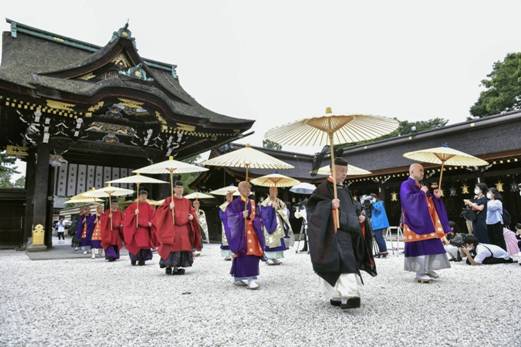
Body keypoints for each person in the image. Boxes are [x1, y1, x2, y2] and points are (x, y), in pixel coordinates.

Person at [307, 158, 376, 309]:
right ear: (331, 170)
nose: (344, 174)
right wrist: (328, 205)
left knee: (343, 261)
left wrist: (360, 215)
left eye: (345, 171)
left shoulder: (344, 189)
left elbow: (352, 207)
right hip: (332, 232)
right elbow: (312, 210)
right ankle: (350, 294)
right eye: (340, 171)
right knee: (345, 261)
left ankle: (336, 295)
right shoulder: (323, 189)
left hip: (348, 230)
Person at [400, 163, 451, 283]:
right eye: (420, 171)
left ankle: (428, 268)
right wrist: (422, 193)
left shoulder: (420, 185)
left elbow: (428, 200)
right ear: (412, 172)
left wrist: (435, 196)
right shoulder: (406, 184)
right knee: (420, 245)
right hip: (414, 221)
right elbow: (407, 200)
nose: (423, 173)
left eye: (423, 171)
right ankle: (420, 272)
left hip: (427, 220)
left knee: (431, 243)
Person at [224, 181, 276, 290]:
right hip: (240, 233)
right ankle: (238, 277)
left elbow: (259, 216)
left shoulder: (252, 202)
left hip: (252, 232)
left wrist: (264, 213)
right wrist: (240, 215)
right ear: (239, 190)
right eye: (244, 187)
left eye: (249, 187)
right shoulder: (235, 203)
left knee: (252, 254)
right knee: (241, 254)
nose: (247, 189)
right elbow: (229, 217)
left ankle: (251, 279)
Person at [153, 181, 202, 275]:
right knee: (171, 246)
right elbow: (160, 213)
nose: (180, 189)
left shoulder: (187, 202)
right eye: (178, 187)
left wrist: (192, 217)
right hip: (172, 228)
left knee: (182, 247)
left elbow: (191, 212)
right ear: (174, 189)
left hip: (183, 229)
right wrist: (169, 209)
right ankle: (168, 265)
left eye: (181, 187)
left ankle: (177, 266)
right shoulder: (169, 200)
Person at [261, 186, 294, 265]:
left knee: (278, 240)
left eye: (275, 190)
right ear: (269, 191)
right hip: (270, 224)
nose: (274, 192)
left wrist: (278, 209)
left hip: (278, 224)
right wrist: (271, 208)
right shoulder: (265, 202)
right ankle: (268, 258)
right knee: (270, 240)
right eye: (272, 190)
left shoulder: (279, 201)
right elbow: (263, 214)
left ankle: (275, 258)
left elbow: (286, 211)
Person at [123, 189, 157, 266]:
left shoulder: (148, 206)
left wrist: (151, 222)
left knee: (144, 244)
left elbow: (153, 216)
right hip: (135, 229)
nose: (144, 197)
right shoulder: (133, 206)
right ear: (139, 196)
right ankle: (134, 259)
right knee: (135, 244)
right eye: (142, 196)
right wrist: (134, 214)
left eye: (145, 196)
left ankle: (142, 259)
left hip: (145, 230)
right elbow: (127, 217)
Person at [369, 193, 389, 258]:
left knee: (379, 238)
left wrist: (373, 203)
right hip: (377, 223)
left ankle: (384, 251)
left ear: (375, 198)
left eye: (371, 198)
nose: (371, 200)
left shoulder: (379, 203)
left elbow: (378, 209)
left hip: (379, 223)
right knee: (378, 238)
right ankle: (382, 251)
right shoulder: (375, 203)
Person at [218, 191, 234, 261]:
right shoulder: (223, 206)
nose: (230, 197)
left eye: (231, 196)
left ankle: (234, 253)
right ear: (226, 197)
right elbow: (221, 215)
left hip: (235, 224)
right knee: (227, 238)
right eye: (228, 196)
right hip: (226, 224)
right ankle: (227, 255)